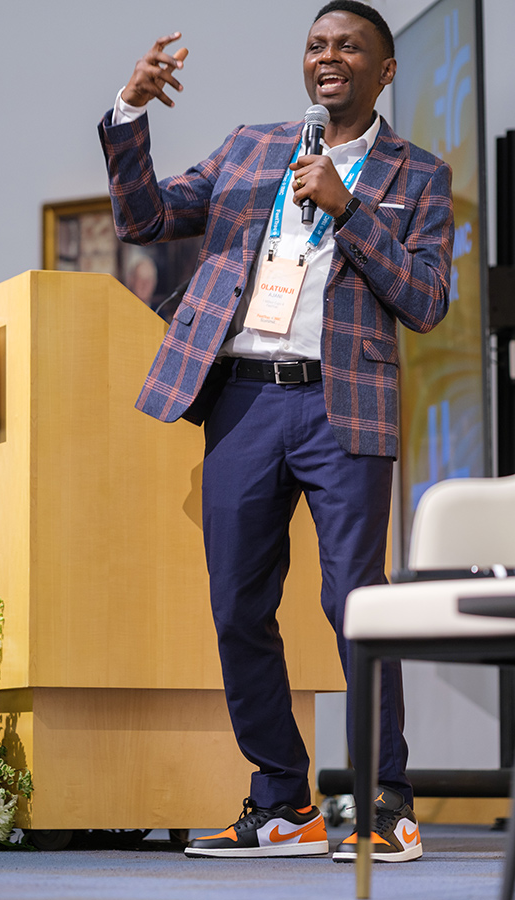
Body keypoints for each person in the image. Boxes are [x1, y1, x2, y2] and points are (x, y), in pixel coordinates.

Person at [98, 0, 454, 862]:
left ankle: (382, 804)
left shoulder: (417, 176)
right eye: (316, 45)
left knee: (355, 607)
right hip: (245, 403)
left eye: (349, 47)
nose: (328, 58)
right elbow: (145, 219)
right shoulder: (252, 148)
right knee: (238, 607)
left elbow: (427, 301)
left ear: (384, 70)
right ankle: (283, 802)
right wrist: (130, 110)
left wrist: (348, 209)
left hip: (344, 403)